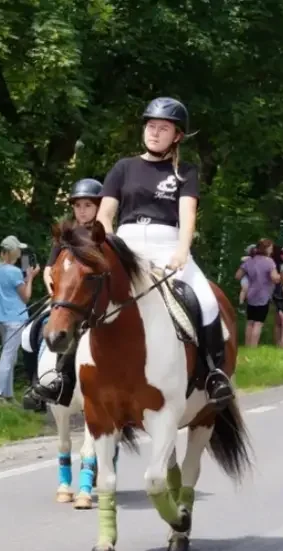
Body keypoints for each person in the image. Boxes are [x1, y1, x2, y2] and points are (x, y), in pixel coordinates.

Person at [96, 96, 233, 407]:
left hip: (168, 244)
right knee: (83, 295)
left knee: (206, 301)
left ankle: (214, 374)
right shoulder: (124, 168)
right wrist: (112, 245)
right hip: (126, 244)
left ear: (178, 136)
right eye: (150, 126)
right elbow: (105, 216)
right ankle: (61, 376)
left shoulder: (185, 171)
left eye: (163, 128)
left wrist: (183, 250)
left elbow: (187, 216)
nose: (154, 132)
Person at [25, 178, 104, 406]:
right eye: (78, 206)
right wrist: (49, 277)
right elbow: (50, 267)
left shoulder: (103, 234)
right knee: (32, 332)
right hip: (65, 297)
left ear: (98, 207)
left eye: (88, 205)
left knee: (76, 331)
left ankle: (63, 377)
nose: (82, 211)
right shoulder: (66, 234)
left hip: (91, 299)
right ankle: (39, 383)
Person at [0, 235, 39, 403]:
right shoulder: (14, 271)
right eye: (18, 249)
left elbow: (15, 288)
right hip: (14, 319)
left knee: (9, 356)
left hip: (1, 319)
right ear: (11, 252)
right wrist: (31, 277)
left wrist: (26, 276)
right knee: (8, 356)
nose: (20, 252)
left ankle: (8, 395)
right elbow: (26, 296)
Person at [235, 238, 279, 346]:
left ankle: (247, 345)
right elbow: (274, 278)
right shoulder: (269, 262)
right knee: (258, 323)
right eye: (271, 248)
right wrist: (280, 277)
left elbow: (237, 276)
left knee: (250, 322)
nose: (272, 251)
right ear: (267, 248)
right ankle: (253, 347)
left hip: (251, 295)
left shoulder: (250, 261)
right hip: (263, 295)